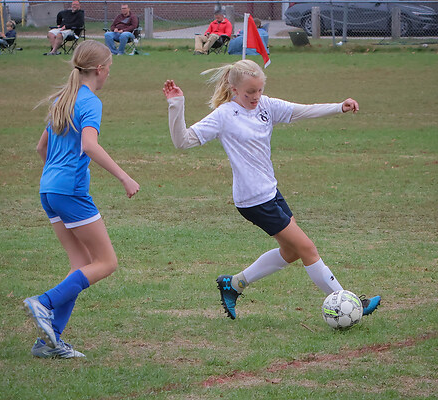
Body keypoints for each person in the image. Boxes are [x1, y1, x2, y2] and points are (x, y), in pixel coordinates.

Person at [162, 60, 381, 320]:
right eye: (249, 92)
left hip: (271, 193)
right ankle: (350, 304)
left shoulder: (265, 106)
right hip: (253, 201)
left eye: (259, 90)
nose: (256, 96)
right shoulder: (224, 116)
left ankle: (233, 284)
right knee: (307, 249)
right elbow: (182, 141)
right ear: (234, 89)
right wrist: (176, 105)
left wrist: (338, 107)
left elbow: (302, 111)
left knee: (291, 252)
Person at [23, 40, 140, 358]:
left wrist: (56, 176)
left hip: (48, 190)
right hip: (70, 192)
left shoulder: (62, 98)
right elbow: (89, 145)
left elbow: (41, 148)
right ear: (99, 69)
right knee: (106, 262)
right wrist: (124, 177)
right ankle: (43, 302)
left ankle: (49, 342)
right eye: (109, 69)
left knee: (82, 265)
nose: (109, 75)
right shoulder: (90, 101)